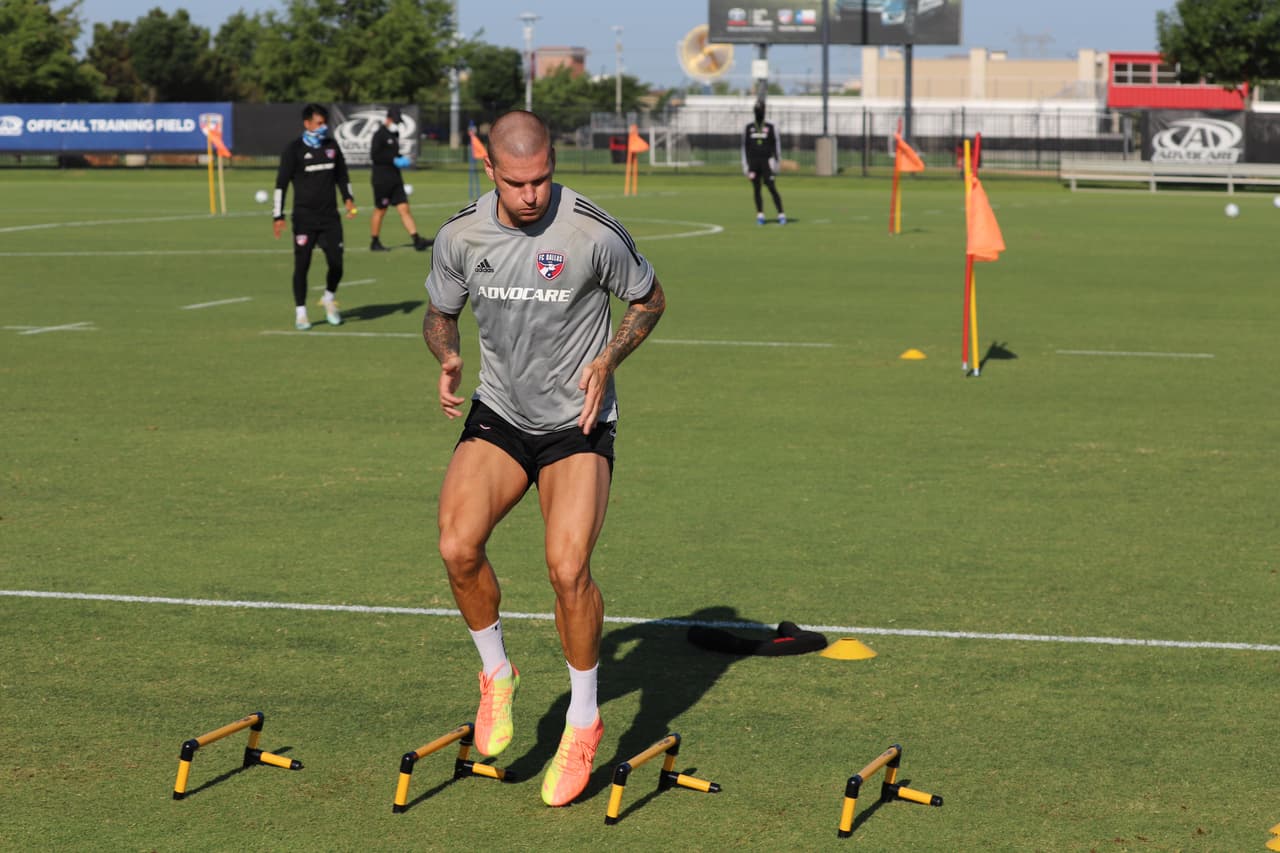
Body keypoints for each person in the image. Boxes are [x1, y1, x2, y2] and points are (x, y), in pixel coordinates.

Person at [421, 109, 666, 807]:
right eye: (518, 182)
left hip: (575, 423)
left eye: (543, 180)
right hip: (500, 412)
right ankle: (496, 673)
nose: (532, 195)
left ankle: (583, 720)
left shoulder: (593, 230)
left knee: (566, 568)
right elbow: (439, 311)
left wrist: (609, 356)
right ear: (490, 168)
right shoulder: (460, 234)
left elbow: (650, 299)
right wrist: (447, 354)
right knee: (457, 545)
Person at [272, 103, 357, 330]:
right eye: (319, 123)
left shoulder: (332, 146)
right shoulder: (294, 150)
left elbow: (343, 176)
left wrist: (349, 199)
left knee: (337, 264)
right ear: (307, 123)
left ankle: (329, 297)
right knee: (302, 265)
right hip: (304, 219)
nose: (323, 127)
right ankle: (301, 312)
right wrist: (277, 215)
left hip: (330, 218)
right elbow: (281, 185)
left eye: (324, 123)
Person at [369, 106, 431, 252]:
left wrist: (401, 158)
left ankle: (416, 240)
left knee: (404, 208)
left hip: (395, 178)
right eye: (395, 120)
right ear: (389, 119)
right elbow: (375, 156)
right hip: (382, 179)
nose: (397, 124)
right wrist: (394, 159)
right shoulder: (380, 134)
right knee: (381, 210)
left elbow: (394, 153)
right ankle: (375, 241)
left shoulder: (394, 133)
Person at [742, 100, 786, 226]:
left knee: (771, 187)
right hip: (754, 163)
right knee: (756, 188)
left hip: (767, 162)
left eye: (761, 109)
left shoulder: (771, 127)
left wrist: (777, 162)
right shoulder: (749, 128)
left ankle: (781, 214)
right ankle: (760, 214)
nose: (759, 112)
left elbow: (776, 145)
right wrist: (746, 165)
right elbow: (745, 147)